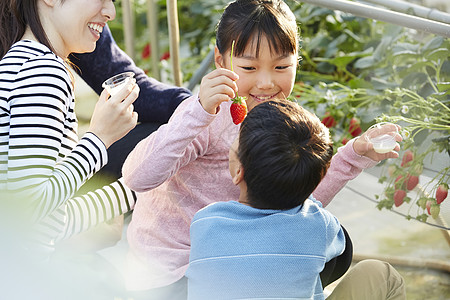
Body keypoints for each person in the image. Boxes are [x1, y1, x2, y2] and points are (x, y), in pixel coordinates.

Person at [121, 0, 402, 297]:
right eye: (249, 67)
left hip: (242, 254)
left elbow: (290, 196)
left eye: (281, 66)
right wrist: (199, 111)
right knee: (329, 248)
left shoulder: (284, 119)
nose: (266, 83)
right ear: (220, 60)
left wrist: (352, 155)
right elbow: (137, 177)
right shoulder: (207, 115)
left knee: (335, 252)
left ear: (297, 61)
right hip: (174, 276)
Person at [0, 0, 138, 255]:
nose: (111, 12)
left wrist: (137, 190)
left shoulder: (22, 61)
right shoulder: (42, 71)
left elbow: (45, 224)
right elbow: (26, 208)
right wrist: (98, 138)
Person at [186, 99, 345, 299]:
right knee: (380, 274)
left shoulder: (204, 221)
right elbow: (340, 247)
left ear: (238, 172)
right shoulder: (320, 225)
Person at [71, 25, 192, 194]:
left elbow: (126, 82)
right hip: (53, 192)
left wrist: (195, 108)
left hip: (70, 175)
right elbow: (37, 198)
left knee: (173, 134)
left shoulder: (79, 23)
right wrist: (98, 138)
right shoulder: (38, 70)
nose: (111, 13)